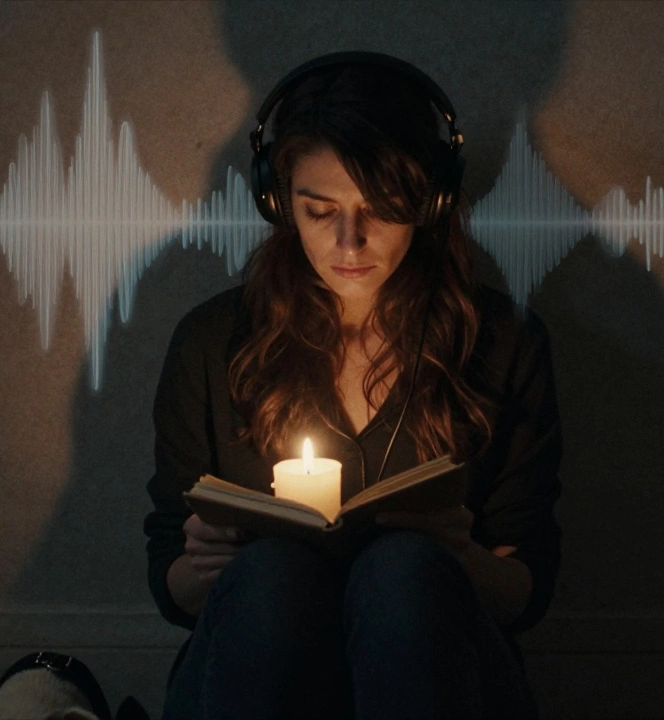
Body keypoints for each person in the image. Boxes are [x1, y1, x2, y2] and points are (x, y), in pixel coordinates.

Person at [143, 52, 561, 720]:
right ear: (279, 204)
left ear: (431, 201)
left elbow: (526, 591)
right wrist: (205, 565)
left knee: (403, 573)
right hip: (253, 660)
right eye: (318, 211)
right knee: (273, 575)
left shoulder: (504, 342)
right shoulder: (211, 343)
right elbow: (171, 586)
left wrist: (455, 557)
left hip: (442, 667)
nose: (349, 241)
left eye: (380, 209)